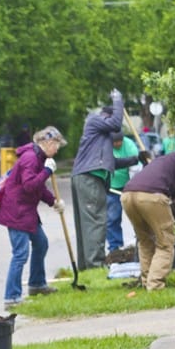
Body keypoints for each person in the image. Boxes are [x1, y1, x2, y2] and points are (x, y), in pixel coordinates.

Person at [70, 90, 146, 270]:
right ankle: (95, 264)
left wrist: (137, 159)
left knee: (89, 222)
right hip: (89, 178)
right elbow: (115, 122)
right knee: (96, 221)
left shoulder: (101, 136)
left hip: (88, 177)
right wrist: (119, 99)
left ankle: (87, 266)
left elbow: (112, 162)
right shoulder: (95, 121)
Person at [0, 126, 67, 309]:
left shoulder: (39, 158)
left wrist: (54, 202)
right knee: (20, 254)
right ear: (49, 142)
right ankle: (11, 298)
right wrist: (47, 172)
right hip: (17, 212)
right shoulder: (31, 158)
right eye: (57, 145)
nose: (57, 150)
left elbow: (39, 187)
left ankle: (36, 285)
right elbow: (29, 185)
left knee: (41, 243)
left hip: (26, 212)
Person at [120, 148, 175, 291]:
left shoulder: (163, 161)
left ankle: (146, 282)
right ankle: (155, 285)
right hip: (151, 197)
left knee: (145, 241)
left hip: (127, 195)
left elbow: (170, 193)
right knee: (165, 243)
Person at [106, 131, 141, 260]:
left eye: (119, 141)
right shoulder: (106, 146)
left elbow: (135, 166)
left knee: (137, 216)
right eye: (114, 142)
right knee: (112, 218)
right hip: (111, 187)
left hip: (128, 186)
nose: (117, 144)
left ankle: (141, 243)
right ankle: (115, 249)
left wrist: (133, 188)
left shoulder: (130, 145)